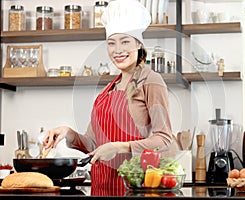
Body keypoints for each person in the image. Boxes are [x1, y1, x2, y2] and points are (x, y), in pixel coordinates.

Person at [44, 0, 174, 196]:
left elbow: (164, 139)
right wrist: (68, 133)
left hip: (133, 189)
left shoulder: (151, 81)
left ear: (138, 43)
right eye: (111, 43)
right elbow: (93, 145)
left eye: (125, 41)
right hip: (100, 188)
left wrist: (120, 147)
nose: (118, 50)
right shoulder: (107, 90)